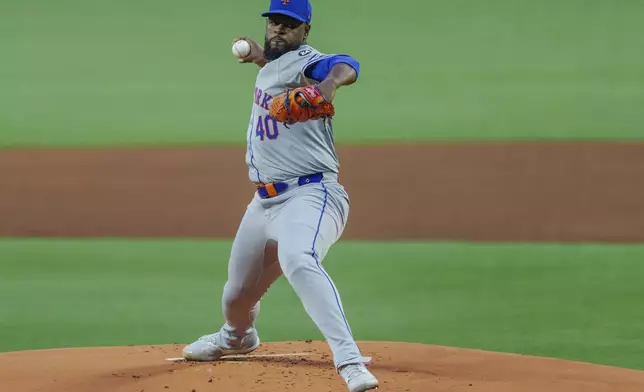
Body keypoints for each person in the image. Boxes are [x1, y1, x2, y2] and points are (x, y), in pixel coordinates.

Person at [183, 1, 379, 391]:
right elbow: (280, 74)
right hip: (264, 203)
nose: (278, 31)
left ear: (305, 31)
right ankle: (237, 339)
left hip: (312, 194)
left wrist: (328, 86)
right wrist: (260, 59)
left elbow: (346, 64)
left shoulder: (310, 61)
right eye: (274, 23)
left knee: (298, 258)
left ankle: (350, 361)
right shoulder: (276, 66)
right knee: (237, 296)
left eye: (289, 26)